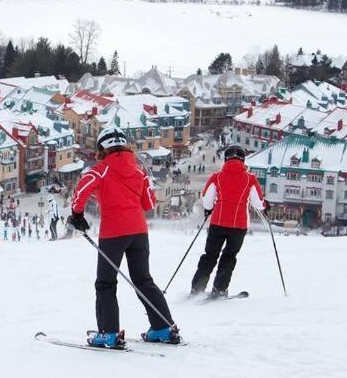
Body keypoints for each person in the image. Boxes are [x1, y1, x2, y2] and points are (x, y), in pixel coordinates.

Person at [67, 127, 180, 348]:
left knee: (106, 283)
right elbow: (149, 203)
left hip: (113, 233)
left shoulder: (101, 170)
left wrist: (77, 215)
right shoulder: (139, 171)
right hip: (139, 232)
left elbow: (81, 191)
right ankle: (163, 327)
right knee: (143, 280)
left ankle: (108, 333)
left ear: (102, 148)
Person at [190, 144, 266, 298]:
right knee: (229, 257)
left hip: (218, 222)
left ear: (226, 158)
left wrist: (209, 208)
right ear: (243, 160)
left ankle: (197, 287)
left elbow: (207, 200)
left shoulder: (217, 176)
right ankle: (219, 289)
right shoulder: (250, 178)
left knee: (210, 255)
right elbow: (258, 203)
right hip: (238, 225)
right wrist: (266, 205)